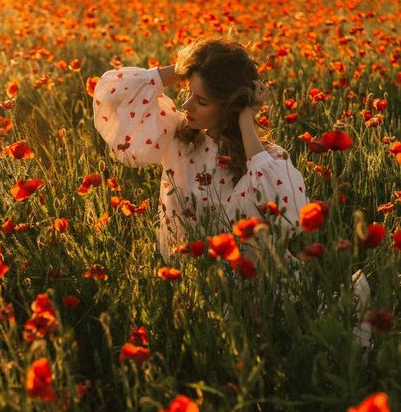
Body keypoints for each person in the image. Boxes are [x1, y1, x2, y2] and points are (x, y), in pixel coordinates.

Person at [93, 35, 308, 262]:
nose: (186, 105)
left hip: (249, 285)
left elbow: (286, 218)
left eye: (202, 101)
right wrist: (189, 67)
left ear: (229, 107)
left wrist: (246, 119)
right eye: (189, 93)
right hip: (190, 281)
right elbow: (114, 94)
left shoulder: (266, 160)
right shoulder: (179, 137)